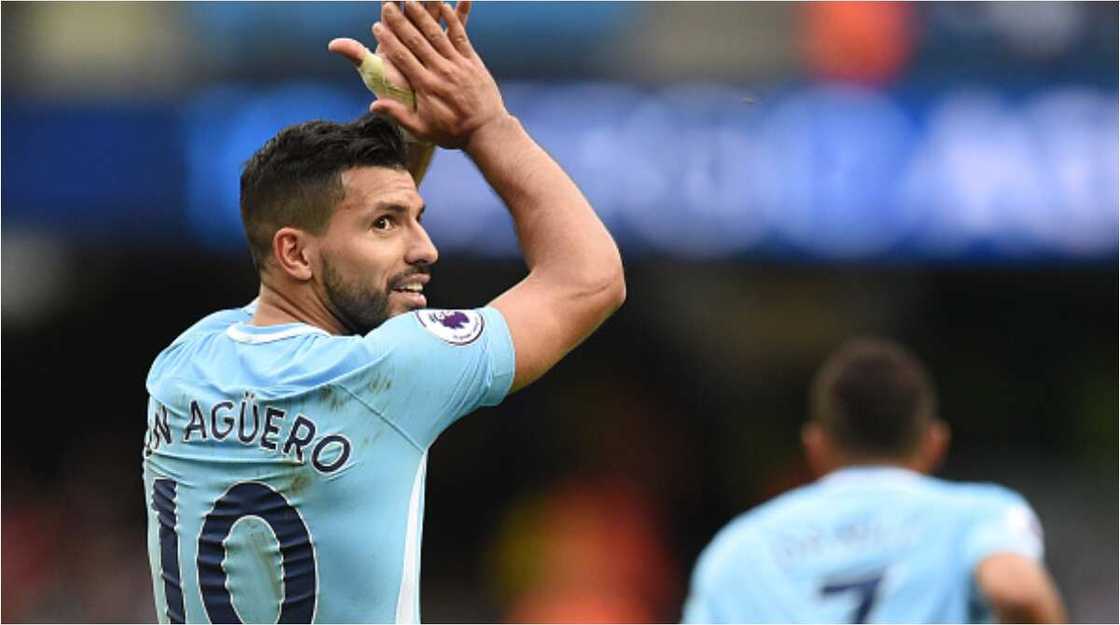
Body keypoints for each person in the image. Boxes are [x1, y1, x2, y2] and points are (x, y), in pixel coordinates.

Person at [141, 1, 625, 622]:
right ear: (294, 251)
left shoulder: (180, 368)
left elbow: (327, 279)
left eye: (414, 220)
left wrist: (411, 140)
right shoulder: (387, 375)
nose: (426, 249)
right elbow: (591, 278)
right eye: (387, 224)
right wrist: (486, 124)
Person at [682, 338, 1066, 624]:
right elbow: (1017, 590)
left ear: (815, 447)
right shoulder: (979, 514)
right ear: (934, 443)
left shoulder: (738, 547)